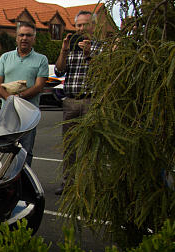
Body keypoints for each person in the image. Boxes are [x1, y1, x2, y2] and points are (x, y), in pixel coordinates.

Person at [54, 10, 101, 195]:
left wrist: (89, 54)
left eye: (85, 25)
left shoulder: (101, 48)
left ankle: (90, 184)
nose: (81, 29)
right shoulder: (71, 47)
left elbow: (102, 72)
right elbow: (58, 71)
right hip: (71, 102)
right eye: (78, 25)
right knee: (70, 146)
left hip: (91, 101)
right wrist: (64, 52)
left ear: (93, 26)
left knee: (91, 146)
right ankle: (68, 183)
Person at [0, 22, 49, 165]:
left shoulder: (41, 59)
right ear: (16, 38)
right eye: (21, 35)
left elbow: (39, 86)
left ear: (34, 38)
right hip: (7, 114)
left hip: (28, 115)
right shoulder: (5, 57)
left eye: (28, 35)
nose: (24, 38)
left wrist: (19, 98)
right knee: (4, 151)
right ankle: (4, 184)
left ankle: (22, 185)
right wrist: (10, 100)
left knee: (25, 151)